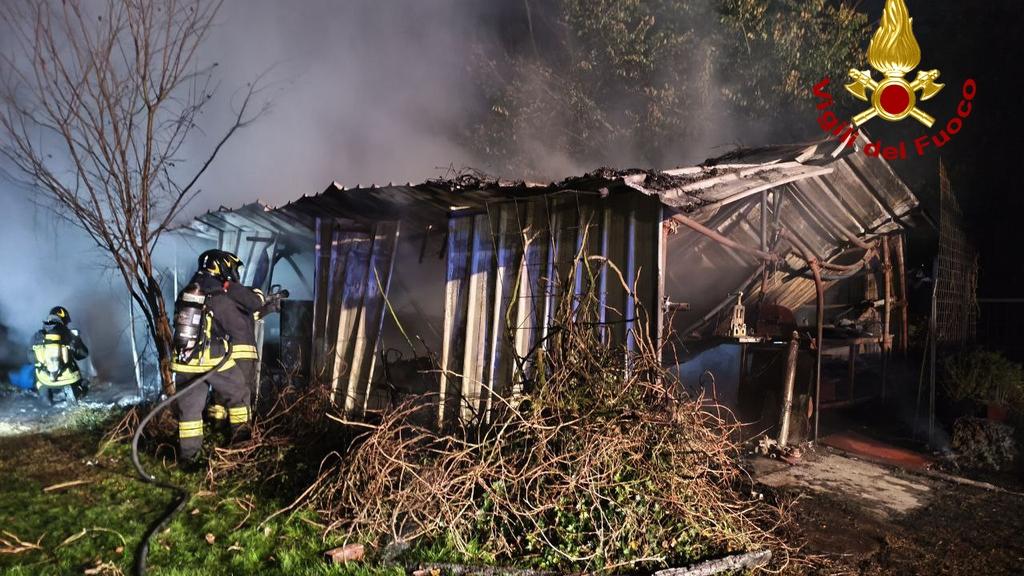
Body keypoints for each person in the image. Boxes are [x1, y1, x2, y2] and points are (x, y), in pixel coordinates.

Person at [171, 250, 265, 468]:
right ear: (221, 267)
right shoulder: (217, 295)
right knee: (240, 395)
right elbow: (234, 327)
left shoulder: (188, 292)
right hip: (212, 360)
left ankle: (189, 459)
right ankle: (242, 447)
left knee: (190, 412)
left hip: (184, 361)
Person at [30, 306, 89, 405]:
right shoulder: (69, 335)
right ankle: (74, 394)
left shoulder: (37, 336)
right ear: (63, 319)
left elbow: (31, 358)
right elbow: (83, 354)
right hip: (68, 378)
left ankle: (46, 399)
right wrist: (76, 339)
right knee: (83, 385)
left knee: (38, 376)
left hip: (44, 379)